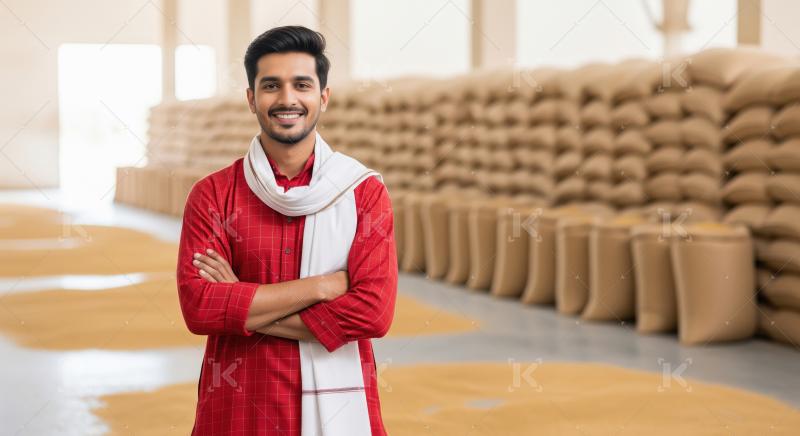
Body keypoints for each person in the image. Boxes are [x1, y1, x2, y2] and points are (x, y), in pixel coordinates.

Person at [176, 25, 397, 435]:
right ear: (251, 98)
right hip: (237, 408)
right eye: (271, 85)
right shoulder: (213, 195)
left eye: (302, 84)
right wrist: (322, 287)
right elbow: (201, 306)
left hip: (340, 413)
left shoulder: (361, 192)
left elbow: (373, 313)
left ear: (323, 97)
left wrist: (243, 303)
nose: (287, 99)